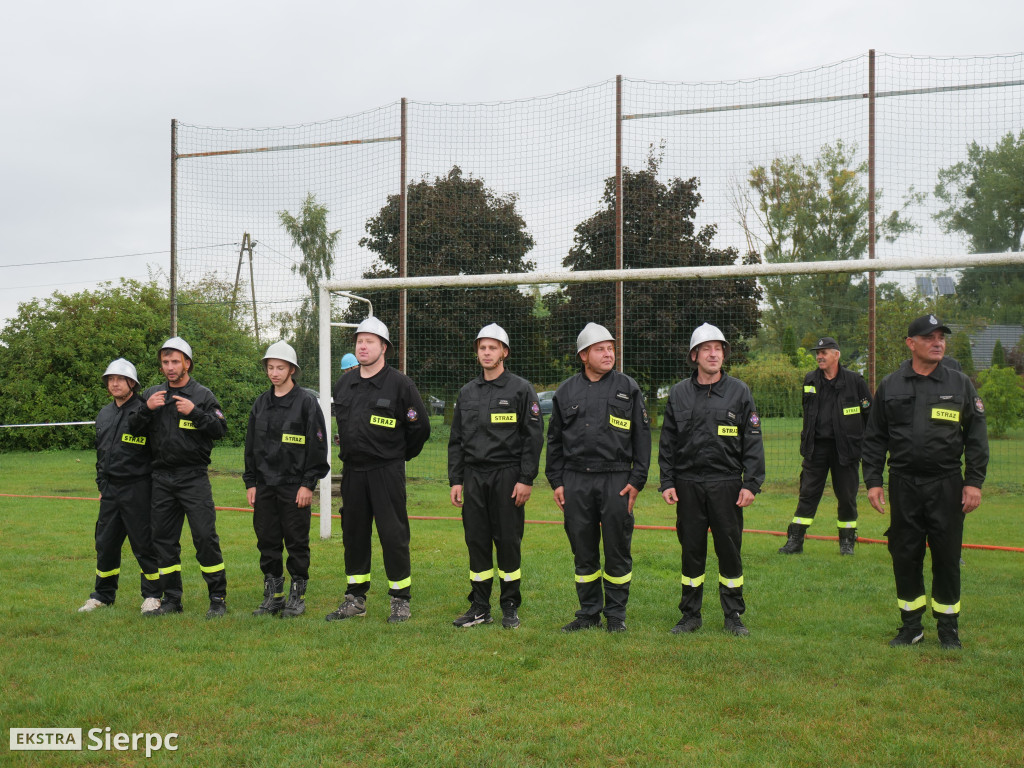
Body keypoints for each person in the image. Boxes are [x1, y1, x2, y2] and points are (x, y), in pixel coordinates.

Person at [862, 315, 988, 649]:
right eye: (929, 337)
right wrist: (873, 481)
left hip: (946, 484)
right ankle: (911, 627)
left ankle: (948, 629)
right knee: (905, 554)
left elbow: (976, 436)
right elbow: (874, 438)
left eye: (941, 338)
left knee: (947, 556)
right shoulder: (891, 385)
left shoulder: (959, 384)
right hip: (903, 484)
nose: (937, 343)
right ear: (911, 343)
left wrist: (973, 482)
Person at [659, 323, 765, 637]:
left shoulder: (739, 391)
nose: (714, 354)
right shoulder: (678, 393)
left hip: (727, 484)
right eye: (707, 349)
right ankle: (689, 615)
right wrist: (667, 481)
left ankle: (733, 615)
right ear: (695, 355)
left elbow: (753, 440)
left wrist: (751, 483)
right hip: (688, 484)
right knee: (691, 550)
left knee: (729, 550)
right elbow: (667, 441)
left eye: (718, 348)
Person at [546, 323, 650, 633]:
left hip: (616, 480)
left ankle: (615, 615)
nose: (608, 354)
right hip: (576, 480)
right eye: (600, 349)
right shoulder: (565, 391)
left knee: (617, 548)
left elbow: (642, 438)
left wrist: (637, 479)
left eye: (610, 348)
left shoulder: (628, 387)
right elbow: (554, 440)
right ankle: (588, 613)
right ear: (583, 355)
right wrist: (557, 481)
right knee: (583, 548)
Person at [326, 317, 430, 624]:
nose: (363, 345)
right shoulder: (344, 383)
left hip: (386, 472)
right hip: (353, 473)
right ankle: (355, 598)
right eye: (359, 340)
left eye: (370, 341)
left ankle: (400, 599)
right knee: (354, 535)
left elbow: (420, 428)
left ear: (384, 347)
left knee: (393, 534)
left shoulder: (400, 384)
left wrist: (397, 455)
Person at [448, 324, 543, 630]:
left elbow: (533, 437)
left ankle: (510, 605)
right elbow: (456, 440)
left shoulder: (520, 389)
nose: (487, 353)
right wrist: (456, 480)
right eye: (482, 348)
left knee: (508, 542)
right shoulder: (467, 392)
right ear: (477, 352)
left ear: (505, 352)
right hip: (474, 477)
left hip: (508, 475)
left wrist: (526, 479)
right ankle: (479, 607)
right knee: (476, 541)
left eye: (493, 347)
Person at [130, 337, 229, 618]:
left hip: (193, 478)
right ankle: (172, 599)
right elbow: (133, 429)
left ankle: (217, 599)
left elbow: (220, 430)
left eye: (175, 361)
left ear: (187, 363)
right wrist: (146, 408)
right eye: (165, 362)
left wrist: (195, 413)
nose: (170, 367)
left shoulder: (202, 395)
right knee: (163, 540)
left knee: (205, 538)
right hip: (161, 478)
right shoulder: (152, 394)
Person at [244, 341, 330, 618]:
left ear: (292, 370)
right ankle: (273, 596)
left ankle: (297, 597)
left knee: (296, 542)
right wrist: (251, 482)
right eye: (270, 367)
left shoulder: (306, 403)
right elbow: (250, 447)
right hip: (265, 486)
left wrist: (308, 484)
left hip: (295, 487)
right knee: (267, 541)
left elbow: (318, 447)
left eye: (280, 368)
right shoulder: (260, 403)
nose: (274, 373)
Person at [78, 358, 162, 614]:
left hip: (138, 489)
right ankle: (102, 595)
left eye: (120, 379)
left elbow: (157, 451)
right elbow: (101, 453)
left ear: (132, 383)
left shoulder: (145, 411)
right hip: (110, 491)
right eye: (110, 380)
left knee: (144, 543)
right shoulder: (104, 413)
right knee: (105, 543)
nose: (114, 384)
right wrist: (102, 483)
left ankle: (152, 596)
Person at [778, 336, 873, 555]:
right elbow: (807, 413)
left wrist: (864, 445)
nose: (819, 356)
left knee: (847, 496)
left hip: (845, 450)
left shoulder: (855, 381)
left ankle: (847, 541)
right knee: (807, 493)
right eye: (818, 353)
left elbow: (870, 415)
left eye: (824, 353)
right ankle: (795, 540)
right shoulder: (810, 380)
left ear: (836, 355)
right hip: (816, 449)